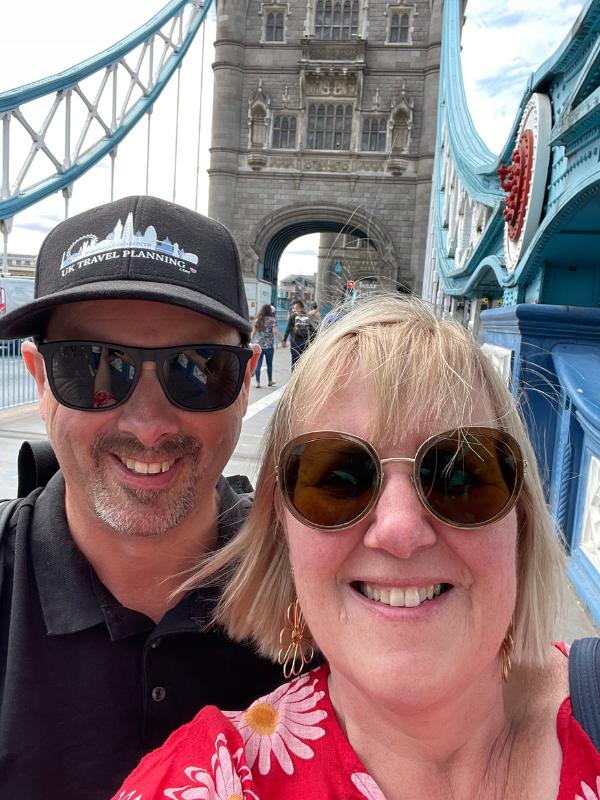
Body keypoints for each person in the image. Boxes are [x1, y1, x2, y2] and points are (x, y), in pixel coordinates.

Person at [114, 293, 600, 800]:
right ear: (283, 533)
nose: (400, 529)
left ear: (520, 519)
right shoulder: (208, 779)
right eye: (339, 482)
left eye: (459, 477)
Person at [0, 195, 283, 800]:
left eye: (199, 367)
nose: (149, 425)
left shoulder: (325, 595)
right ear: (40, 375)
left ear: (245, 378)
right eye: (95, 367)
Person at [251, 303, 285, 388]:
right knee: (269, 364)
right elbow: (275, 332)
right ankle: (270, 381)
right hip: (269, 346)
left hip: (259, 346)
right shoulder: (272, 320)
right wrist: (282, 340)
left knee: (258, 364)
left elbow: (253, 333)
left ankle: (258, 382)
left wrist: (249, 341)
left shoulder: (257, 320)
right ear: (269, 311)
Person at [282, 299, 311, 370]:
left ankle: (294, 376)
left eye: (295, 308)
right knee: (303, 361)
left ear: (298, 307)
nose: (294, 309)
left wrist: (284, 340)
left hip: (294, 342)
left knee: (294, 361)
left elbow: (288, 329)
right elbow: (312, 329)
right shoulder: (308, 317)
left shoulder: (292, 316)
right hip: (305, 342)